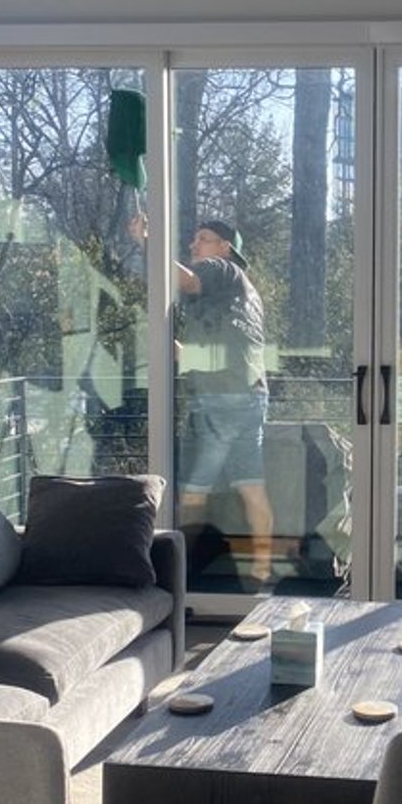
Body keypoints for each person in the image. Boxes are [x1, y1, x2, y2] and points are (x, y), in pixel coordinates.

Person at [130, 214, 274, 584]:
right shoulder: (243, 294)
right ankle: (262, 573)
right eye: (195, 240)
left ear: (225, 248)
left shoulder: (221, 270)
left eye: (204, 239)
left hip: (219, 401)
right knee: (251, 487)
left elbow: (185, 278)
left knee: (193, 492)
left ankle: (180, 578)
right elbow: (221, 354)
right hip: (249, 397)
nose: (195, 246)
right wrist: (172, 348)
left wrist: (147, 241)